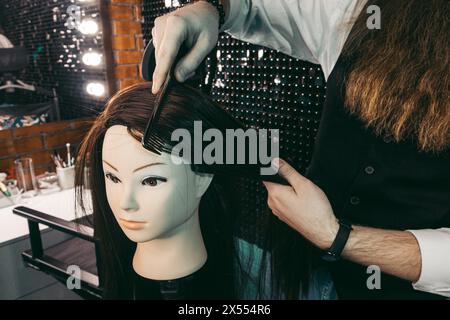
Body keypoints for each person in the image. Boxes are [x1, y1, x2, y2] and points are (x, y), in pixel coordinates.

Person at [150, 0, 450, 299]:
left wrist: (337, 237)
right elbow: (256, 8)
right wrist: (213, 10)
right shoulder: (363, 13)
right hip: (299, 269)